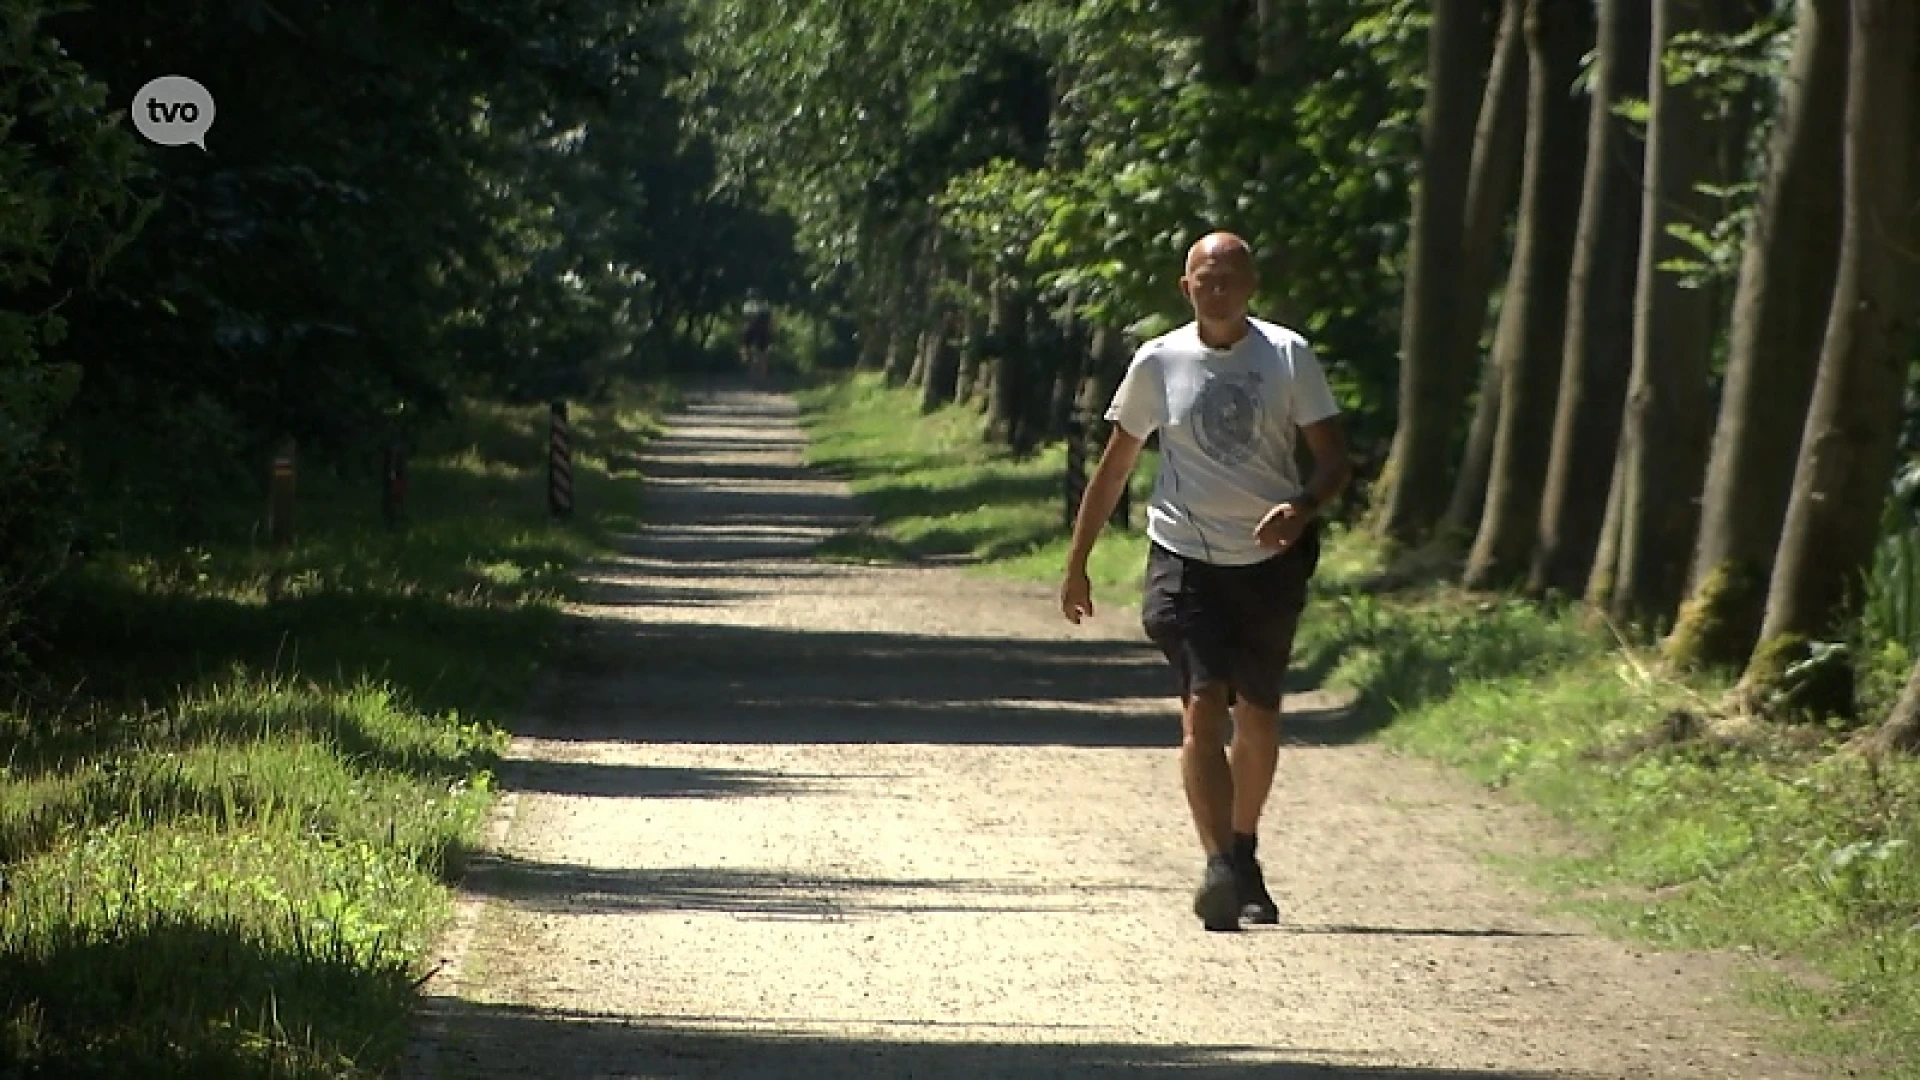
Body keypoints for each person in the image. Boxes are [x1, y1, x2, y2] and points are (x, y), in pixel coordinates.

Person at [1059, 231, 1351, 932]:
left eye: (1228, 278)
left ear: (1250, 284)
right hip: (1184, 556)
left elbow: (1334, 459)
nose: (1216, 289)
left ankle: (1245, 849)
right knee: (1202, 707)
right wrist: (1078, 560)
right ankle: (1217, 864)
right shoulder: (1158, 361)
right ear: (1184, 287)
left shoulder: (1287, 356)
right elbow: (1117, 465)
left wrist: (1303, 507)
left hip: (1270, 562)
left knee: (1258, 713)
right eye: (1203, 279)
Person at [740, 290, 774, 381]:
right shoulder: (765, 306)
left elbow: (745, 319)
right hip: (762, 330)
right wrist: (771, 331)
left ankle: (746, 358)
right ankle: (763, 375)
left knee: (745, 345)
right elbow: (769, 321)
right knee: (763, 352)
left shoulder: (747, 305)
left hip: (751, 329)